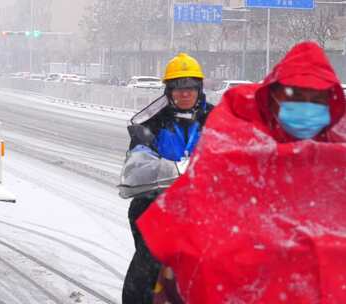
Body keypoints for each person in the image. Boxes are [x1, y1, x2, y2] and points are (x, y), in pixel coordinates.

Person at [137, 41, 346, 303]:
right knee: (148, 270)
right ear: (273, 97)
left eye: (317, 100)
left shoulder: (336, 155)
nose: (185, 94)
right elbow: (207, 192)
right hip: (243, 280)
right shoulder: (234, 134)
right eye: (295, 96)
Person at [119, 53, 213, 304]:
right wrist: (167, 169)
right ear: (169, 91)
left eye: (190, 88)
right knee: (148, 263)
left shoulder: (216, 120)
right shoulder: (151, 123)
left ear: (199, 89)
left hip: (206, 206)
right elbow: (138, 158)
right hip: (157, 203)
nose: (185, 94)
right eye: (178, 88)